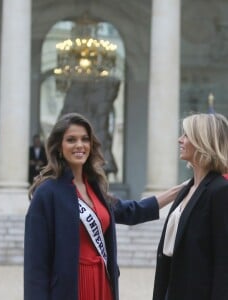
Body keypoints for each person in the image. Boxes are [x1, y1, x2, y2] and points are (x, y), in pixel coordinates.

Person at [24, 112, 185, 300]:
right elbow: (36, 264)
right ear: (59, 147)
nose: (79, 145)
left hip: (102, 282)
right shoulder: (47, 192)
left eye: (85, 139)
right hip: (70, 287)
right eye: (71, 140)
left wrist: (178, 192)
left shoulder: (95, 188)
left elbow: (131, 211)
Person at [152, 113, 228, 300]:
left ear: (203, 141)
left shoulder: (221, 191)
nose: (180, 139)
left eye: (186, 135)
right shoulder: (187, 189)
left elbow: (224, 262)